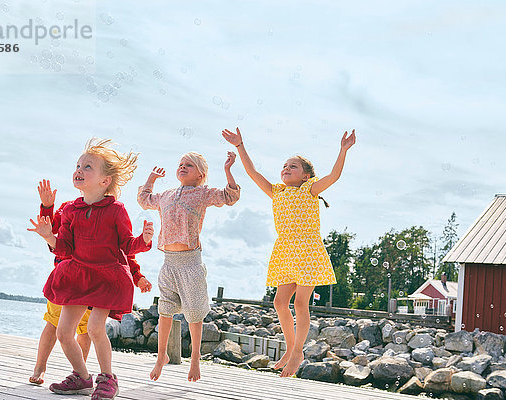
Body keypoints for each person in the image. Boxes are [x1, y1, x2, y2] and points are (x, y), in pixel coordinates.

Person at [222, 127, 356, 377]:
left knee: (300, 302)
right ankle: (292, 347)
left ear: (306, 176)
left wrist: (343, 150)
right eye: (284, 165)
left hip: (307, 250)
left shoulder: (310, 190)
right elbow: (252, 173)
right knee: (279, 302)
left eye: (292, 166)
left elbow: (334, 175)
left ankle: (296, 352)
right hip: (285, 251)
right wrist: (240, 146)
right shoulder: (277, 192)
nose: (286, 168)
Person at [28, 139, 154, 399]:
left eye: (88, 166)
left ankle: (108, 379)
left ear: (105, 181)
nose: (79, 169)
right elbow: (64, 249)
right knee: (64, 333)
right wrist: (48, 237)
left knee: (96, 328)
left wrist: (144, 241)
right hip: (77, 275)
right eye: (78, 165)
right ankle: (82, 377)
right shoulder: (72, 209)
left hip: (107, 277)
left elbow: (127, 245)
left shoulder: (116, 210)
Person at [137, 151, 240, 382]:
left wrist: (228, 170)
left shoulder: (202, 193)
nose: (183, 167)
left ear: (201, 175)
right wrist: (151, 179)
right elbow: (144, 199)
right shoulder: (165, 195)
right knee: (165, 310)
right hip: (168, 263)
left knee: (194, 314)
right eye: (181, 164)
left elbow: (230, 196)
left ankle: (194, 359)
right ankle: (161, 355)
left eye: (189, 165)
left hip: (191, 263)